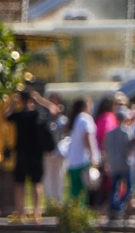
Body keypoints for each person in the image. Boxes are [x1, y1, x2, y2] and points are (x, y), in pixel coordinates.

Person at [8, 86, 56, 220]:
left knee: (20, 183)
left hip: (22, 153)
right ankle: (36, 212)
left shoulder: (19, 115)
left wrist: (13, 103)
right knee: (36, 183)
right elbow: (53, 109)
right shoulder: (38, 114)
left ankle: (20, 212)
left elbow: (6, 115)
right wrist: (39, 99)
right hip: (36, 153)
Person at [57, 96, 97, 209]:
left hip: (71, 160)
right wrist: (93, 155)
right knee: (83, 188)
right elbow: (87, 138)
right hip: (82, 159)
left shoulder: (74, 119)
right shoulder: (85, 119)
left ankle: (73, 210)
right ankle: (80, 210)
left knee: (74, 189)